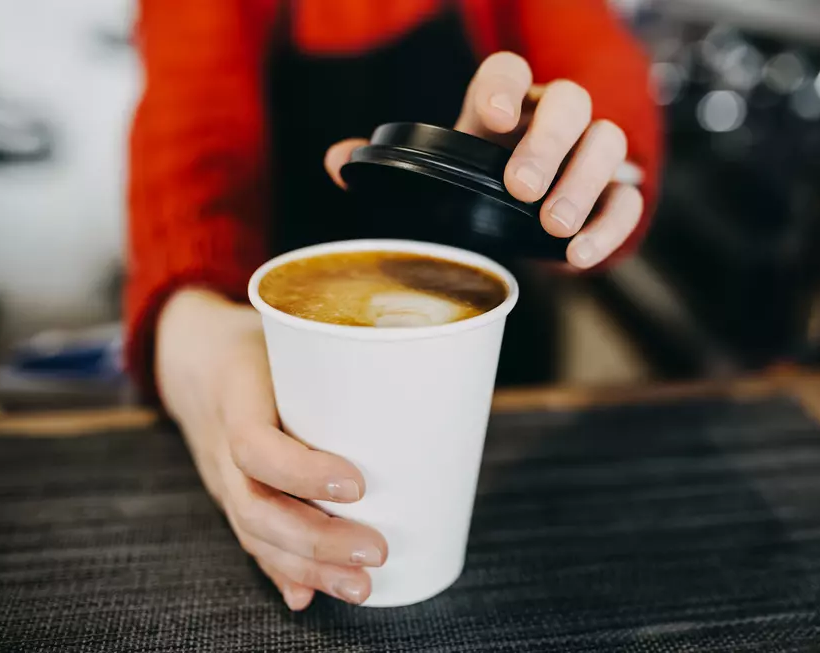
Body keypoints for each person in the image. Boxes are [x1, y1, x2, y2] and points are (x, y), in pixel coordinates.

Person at [127, 0, 662, 610]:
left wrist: (582, 168)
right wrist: (195, 326)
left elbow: (597, 57)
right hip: (285, 361)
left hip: (502, 374)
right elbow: (191, 143)